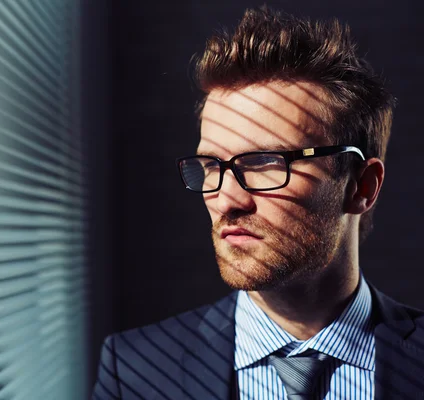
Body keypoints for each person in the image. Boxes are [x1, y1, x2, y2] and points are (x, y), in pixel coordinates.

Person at [92, 6, 424, 400]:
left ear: (362, 186)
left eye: (266, 162)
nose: (225, 199)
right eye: (211, 165)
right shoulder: (135, 372)